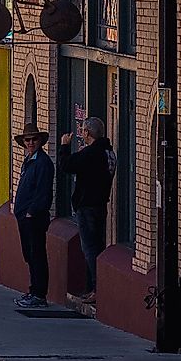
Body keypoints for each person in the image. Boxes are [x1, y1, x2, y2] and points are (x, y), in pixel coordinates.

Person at [59, 116, 115, 310]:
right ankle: (94, 287)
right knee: (96, 246)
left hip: (88, 206)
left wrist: (64, 146)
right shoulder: (108, 153)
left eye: (83, 130)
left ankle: (96, 288)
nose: (81, 133)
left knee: (90, 248)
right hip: (100, 205)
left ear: (87, 133)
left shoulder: (92, 153)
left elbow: (66, 166)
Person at [10, 129, 56, 309]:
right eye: (27, 140)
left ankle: (39, 294)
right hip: (24, 216)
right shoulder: (29, 161)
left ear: (40, 141)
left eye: (34, 139)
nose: (30, 143)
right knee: (29, 254)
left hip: (34, 217)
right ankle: (33, 289)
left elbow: (43, 192)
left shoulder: (43, 163)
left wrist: (32, 211)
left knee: (37, 254)